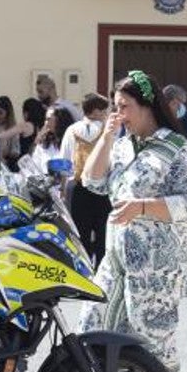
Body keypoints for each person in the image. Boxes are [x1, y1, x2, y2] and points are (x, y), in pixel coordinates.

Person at [76, 70, 187, 372]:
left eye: (125, 106)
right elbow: (91, 182)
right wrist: (106, 137)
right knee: (93, 328)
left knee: (152, 345)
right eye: (115, 106)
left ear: (147, 105)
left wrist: (144, 207)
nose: (118, 114)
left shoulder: (179, 148)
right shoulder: (122, 146)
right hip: (117, 260)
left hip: (158, 267)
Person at [61, 93, 112, 267]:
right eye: (105, 111)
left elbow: (65, 161)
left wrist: (62, 189)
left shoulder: (72, 130)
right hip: (103, 187)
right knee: (103, 233)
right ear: (96, 111)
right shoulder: (108, 130)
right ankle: (102, 271)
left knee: (80, 233)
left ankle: (82, 270)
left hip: (77, 186)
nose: (107, 114)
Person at [0, 96, 28, 172]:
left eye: (0, 113)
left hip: (7, 166)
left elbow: (16, 152)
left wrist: (6, 151)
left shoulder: (13, 130)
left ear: (8, 112)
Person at [30, 106, 74, 171]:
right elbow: (34, 166)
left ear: (59, 120)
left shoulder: (72, 142)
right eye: (45, 119)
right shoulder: (43, 144)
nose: (46, 123)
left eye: (49, 119)